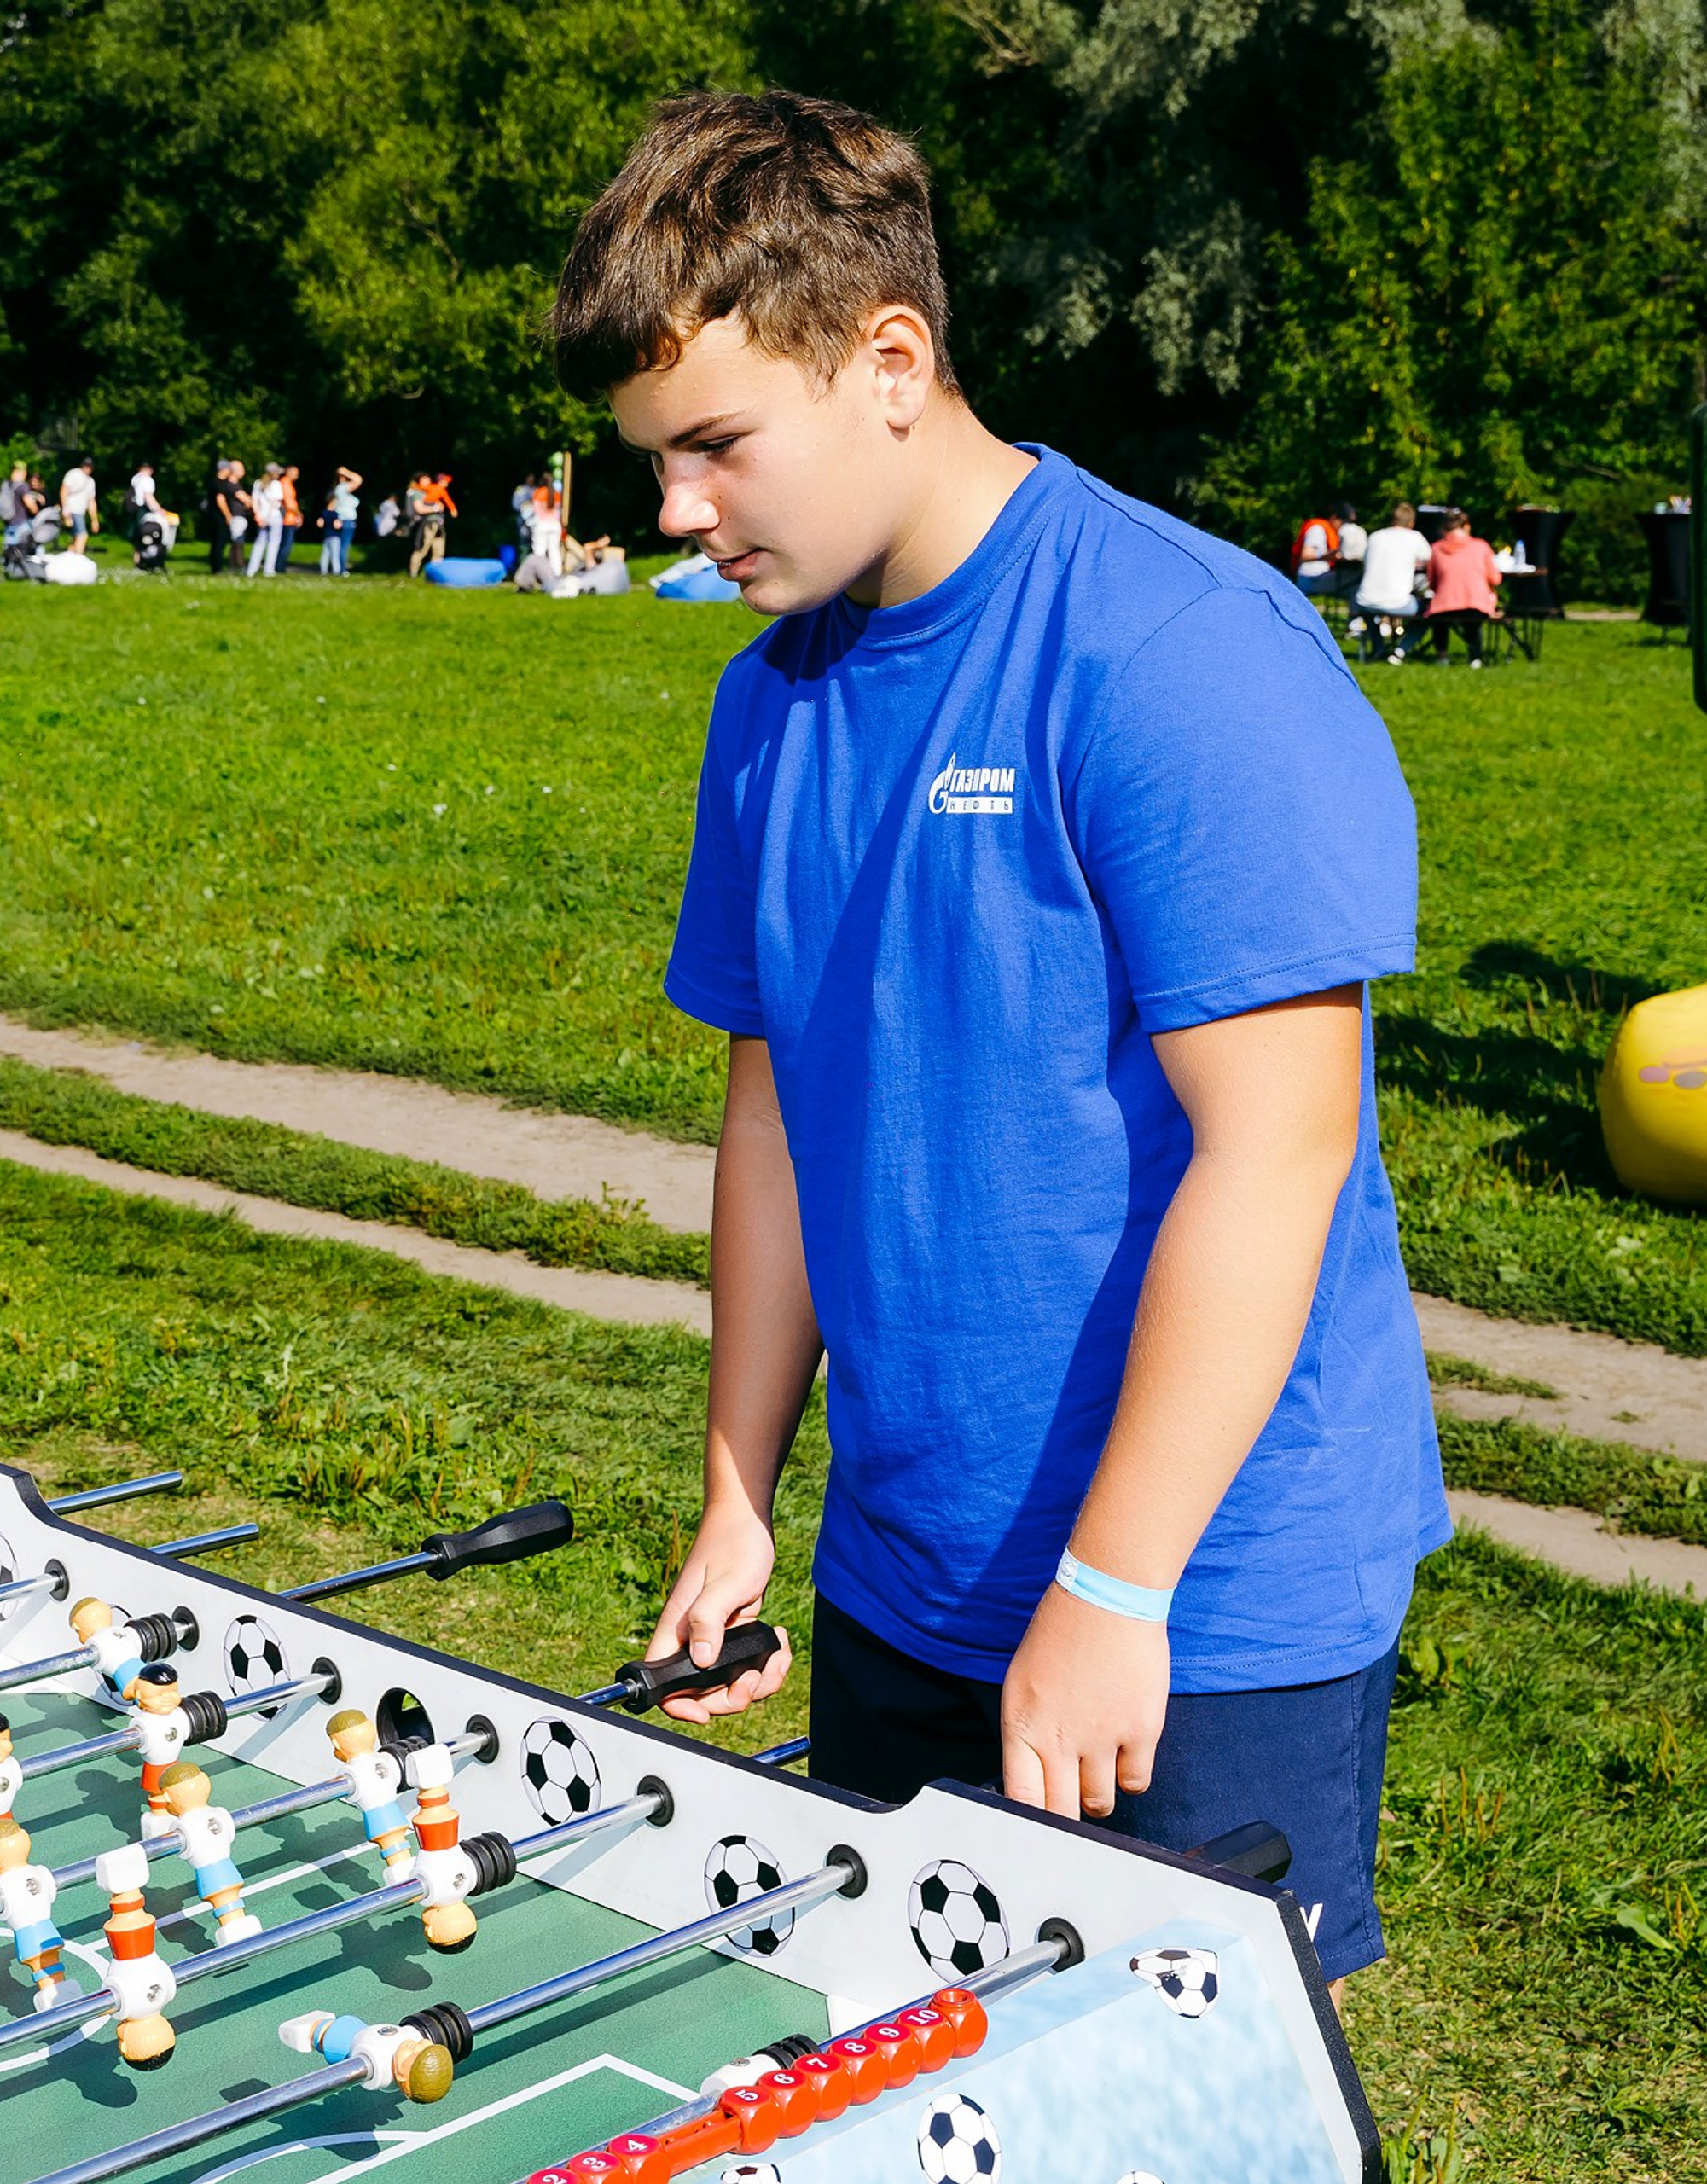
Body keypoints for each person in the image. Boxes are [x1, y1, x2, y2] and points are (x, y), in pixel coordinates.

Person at [551, 90, 1439, 1998]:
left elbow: (1273, 1151)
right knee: (897, 2073)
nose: (674, 514)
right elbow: (773, 1113)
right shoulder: (762, 707)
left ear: (887, 361)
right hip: (902, 1572)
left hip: (1204, 1595)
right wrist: (734, 1490)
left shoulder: (1177, 651)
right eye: (649, 462)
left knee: (1184, 2119)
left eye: (711, 446)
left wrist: (1113, 1590)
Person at [1354, 500, 1434, 663]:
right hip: (1398, 602)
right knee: (1429, 613)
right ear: (1411, 522)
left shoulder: (1375, 536)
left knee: (1369, 610)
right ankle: (1400, 651)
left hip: (1364, 600)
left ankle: (1378, 648)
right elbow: (1431, 561)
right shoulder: (1415, 538)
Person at [1425, 508, 1504, 666]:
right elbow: (1495, 579)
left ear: (1444, 529)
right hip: (1476, 605)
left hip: (1444, 605)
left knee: (1440, 622)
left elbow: (1432, 582)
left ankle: (1442, 656)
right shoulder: (1481, 547)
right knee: (1473, 622)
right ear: (1466, 526)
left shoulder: (1436, 548)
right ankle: (1475, 657)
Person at [1290, 506, 1342, 595]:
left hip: (1316, 577)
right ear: (1334, 517)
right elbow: (1306, 555)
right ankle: (1362, 607)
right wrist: (1330, 554)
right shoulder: (1317, 529)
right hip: (1310, 579)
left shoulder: (1324, 529)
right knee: (1353, 581)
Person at [129, 462, 179, 551]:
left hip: (134, 508)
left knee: (138, 534)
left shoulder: (135, 479)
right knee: (147, 533)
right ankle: (152, 555)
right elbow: (148, 497)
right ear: (150, 470)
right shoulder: (147, 480)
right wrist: (159, 509)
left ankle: (138, 557)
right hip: (143, 509)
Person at [323, 465, 362, 575]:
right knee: (344, 546)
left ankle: (338, 568)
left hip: (342, 520)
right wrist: (347, 472)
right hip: (347, 520)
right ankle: (342, 569)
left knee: (340, 546)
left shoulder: (339, 489)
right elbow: (359, 480)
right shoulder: (343, 488)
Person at [247, 463, 284, 577]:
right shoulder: (276, 484)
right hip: (273, 516)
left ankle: (251, 569)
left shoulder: (258, 484)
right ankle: (269, 569)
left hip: (261, 517)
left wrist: (258, 516)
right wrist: (266, 517)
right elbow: (275, 503)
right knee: (274, 543)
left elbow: (254, 501)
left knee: (259, 543)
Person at [61, 456, 98, 554]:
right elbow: (64, 491)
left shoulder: (91, 481)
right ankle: (79, 561)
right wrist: (65, 511)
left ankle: (69, 561)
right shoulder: (73, 474)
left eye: (90, 467)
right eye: (86, 466)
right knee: (82, 536)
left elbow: (91, 501)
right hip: (72, 510)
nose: (88, 468)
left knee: (75, 540)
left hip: (81, 512)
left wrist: (94, 520)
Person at [0, 463, 32, 548]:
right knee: (25, 550)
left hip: (8, 523)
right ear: (23, 472)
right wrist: (36, 511)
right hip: (21, 523)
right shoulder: (23, 486)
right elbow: (30, 504)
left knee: (9, 552)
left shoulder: (6, 485)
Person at [276, 463, 302, 572]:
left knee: (286, 544)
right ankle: (280, 567)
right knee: (286, 544)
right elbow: (288, 503)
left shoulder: (288, 483)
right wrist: (299, 514)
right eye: (296, 473)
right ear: (289, 472)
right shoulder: (285, 483)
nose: (297, 476)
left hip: (289, 518)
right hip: (287, 519)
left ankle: (280, 566)